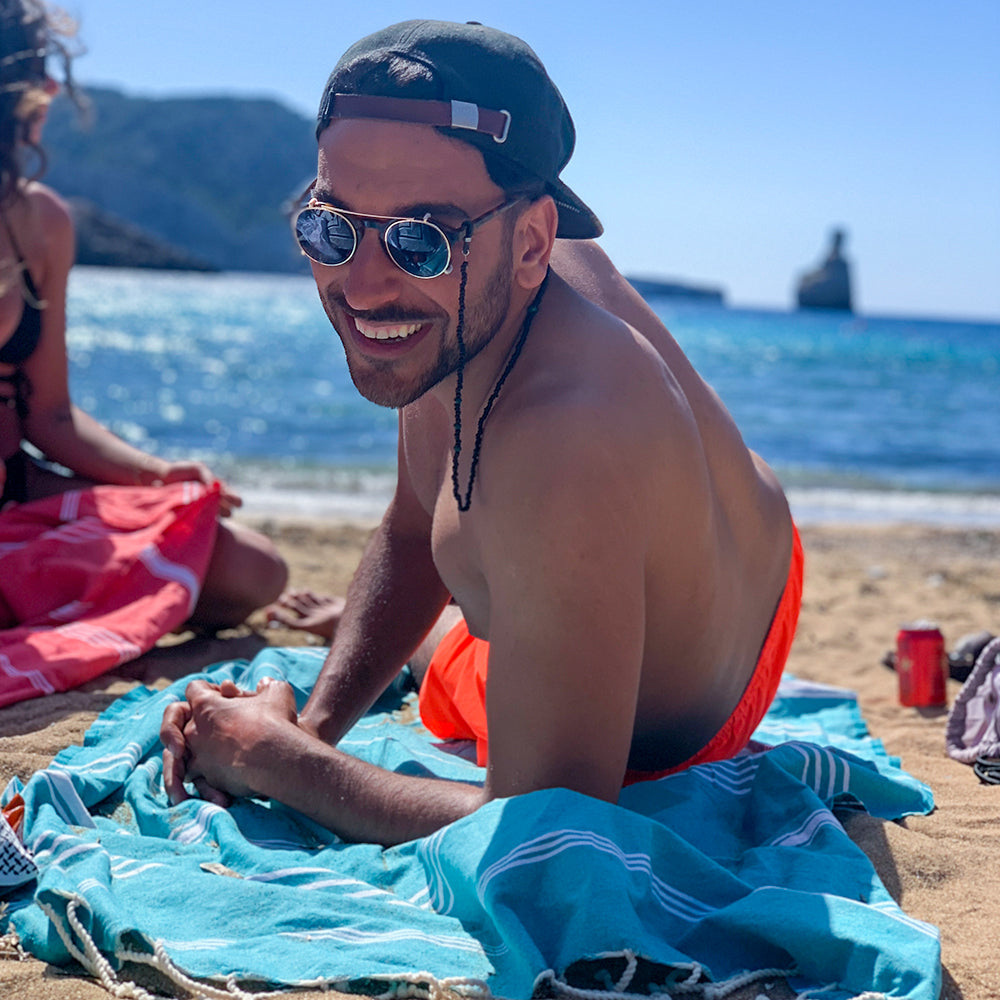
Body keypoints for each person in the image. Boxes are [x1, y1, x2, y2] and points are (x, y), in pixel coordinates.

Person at [162, 20, 802, 845]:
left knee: (479, 617)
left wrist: (275, 759)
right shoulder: (459, 300)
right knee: (473, 554)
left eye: (420, 238)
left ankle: (441, 640)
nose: (362, 284)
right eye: (331, 227)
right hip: (727, 536)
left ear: (535, 241)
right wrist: (316, 724)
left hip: (704, 691)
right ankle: (445, 631)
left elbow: (547, 822)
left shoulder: (564, 445)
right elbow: (409, 521)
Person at [0, 0, 287, 630]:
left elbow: (48, 414)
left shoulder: (40, 223)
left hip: (16, 489)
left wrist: (154, 474)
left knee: (255, 570)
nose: (49, 95)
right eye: (39, 80)